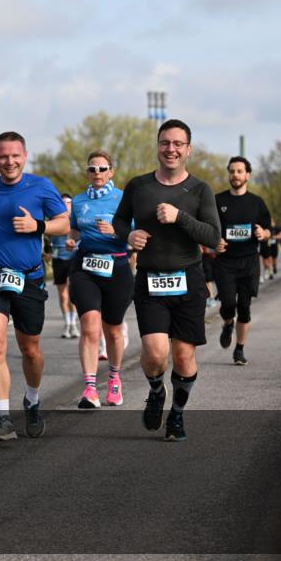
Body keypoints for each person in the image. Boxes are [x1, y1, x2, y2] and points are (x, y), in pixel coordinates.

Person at [112, 119, 221, 442]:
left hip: (189, 279)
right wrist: (129, 234)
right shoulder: (139, 186)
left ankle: (177, 414)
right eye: (165, 143)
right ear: (157, 146)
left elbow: (214, 237)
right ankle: (157, 391)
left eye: (177, 144)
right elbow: (119, 221)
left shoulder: (200, 189)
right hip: (150, 280)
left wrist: (180, 217)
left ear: (188, 149)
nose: (170, 149)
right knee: (156, 353)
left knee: (184, 356)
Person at [0, 132, 69, 441]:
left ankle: (32, 399)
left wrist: (38, 226)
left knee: (30, 349)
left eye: (15, 156)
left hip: (29, 278)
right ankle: (2, 418)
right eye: (2, 156)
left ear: (24, 156)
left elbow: (63, 222)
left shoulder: (41, 186)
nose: (8, 161)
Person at [69, 151, 134, 409]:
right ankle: (89, 388)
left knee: (114, 330)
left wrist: (118, 231)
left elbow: (136, 233)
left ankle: (115, 378)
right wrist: (73, 239)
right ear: (88, 172)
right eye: (92, 169)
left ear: (111, 172)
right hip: (85, 266)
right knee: (89, 326)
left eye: (102, 168)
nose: (97, 173)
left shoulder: (124, 199)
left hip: (117, 266)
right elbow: (75, 228)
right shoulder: (78, 200)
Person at [214, 157, 272, 366]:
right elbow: (208, 228)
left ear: (247, 175)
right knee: (228, 304)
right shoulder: (218, 201)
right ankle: (228, 323)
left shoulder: (256, 203)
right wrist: (214, 242)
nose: (235, 175)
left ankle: (239, 349)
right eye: (232, 171)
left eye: (239, 171)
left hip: (248, 262)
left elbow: (268, 229)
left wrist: (262, 233)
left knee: (245, 307)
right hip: (225, 262)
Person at [50, 193, 80, 339]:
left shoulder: (76, 219)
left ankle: (73, 324)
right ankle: (67, 323)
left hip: (74, 257)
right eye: (62, 202)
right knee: (63, 295)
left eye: (68, 202)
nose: (66, 204)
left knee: (72, 293)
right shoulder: (55, 219)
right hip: (58, 258)